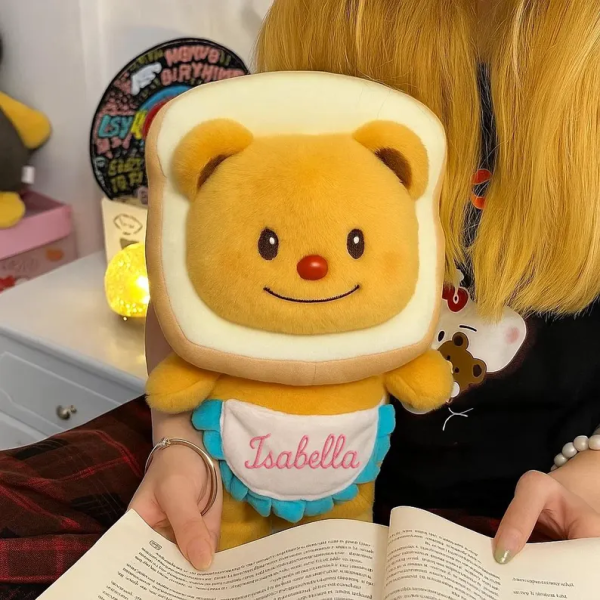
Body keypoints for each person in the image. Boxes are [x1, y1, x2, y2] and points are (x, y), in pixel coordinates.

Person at [2, 0, 600, 596]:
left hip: (543, 493)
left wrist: (590, 475)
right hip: (244, 431)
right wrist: (178, 438)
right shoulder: (337, 18)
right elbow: (197, 268)